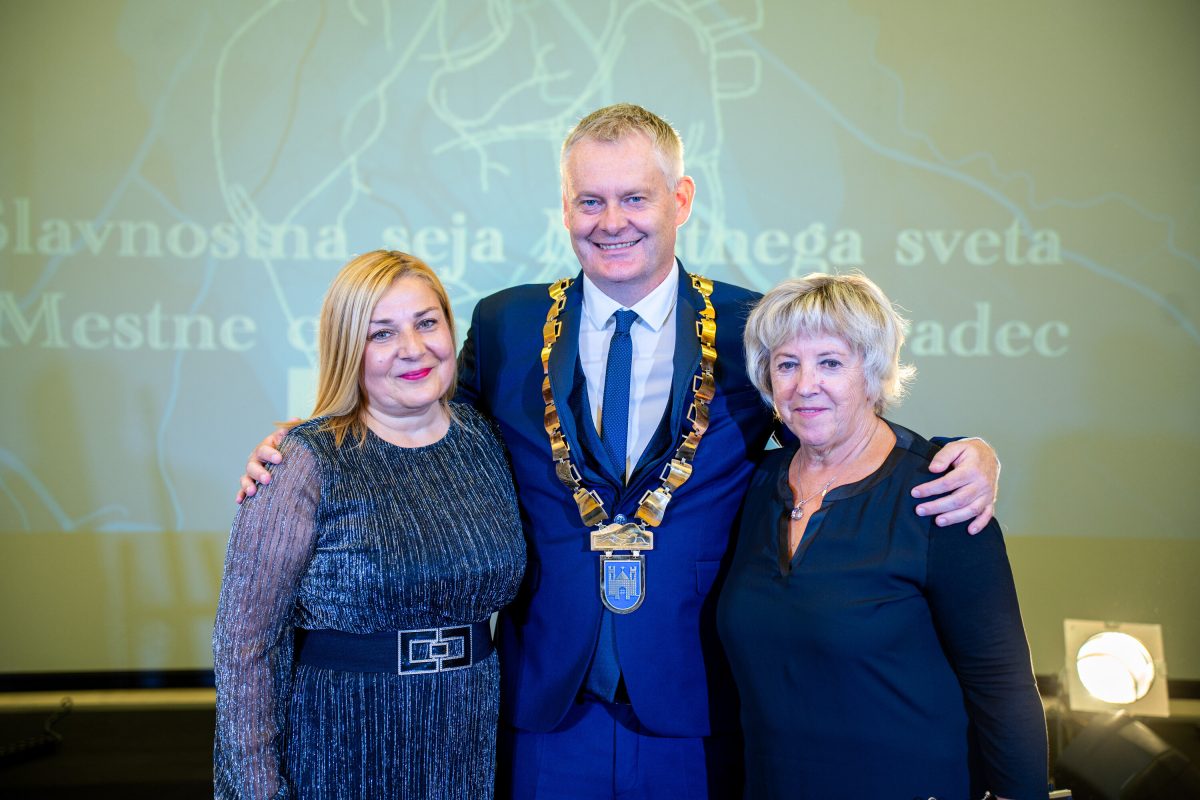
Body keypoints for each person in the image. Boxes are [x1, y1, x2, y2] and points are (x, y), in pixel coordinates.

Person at [237, 104, 1001, 799]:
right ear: (565, 207)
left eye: (635, 198)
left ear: (681, 199)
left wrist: (958, 452)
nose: (612, 222)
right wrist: (311, 442)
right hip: (542, 711)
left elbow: (833, 420)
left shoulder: (750, 327)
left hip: (695, 707)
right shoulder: (506, 325)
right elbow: (428, 428)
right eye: (589, 201)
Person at [717, 273, 1047, 799]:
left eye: (830, 363)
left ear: (872, 373)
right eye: (787, 364)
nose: (805, 385)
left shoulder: (942, 496)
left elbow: (1000, 680)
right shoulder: (752, 486)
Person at [213, 251, 526, 799]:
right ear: (347, 349)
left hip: (470, 740)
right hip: (342, 744)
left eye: (427, 322)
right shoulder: (304, 461)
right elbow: (245, 646)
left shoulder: (487, 439)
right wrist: (257, 790)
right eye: (382, 333)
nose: (413, 348)